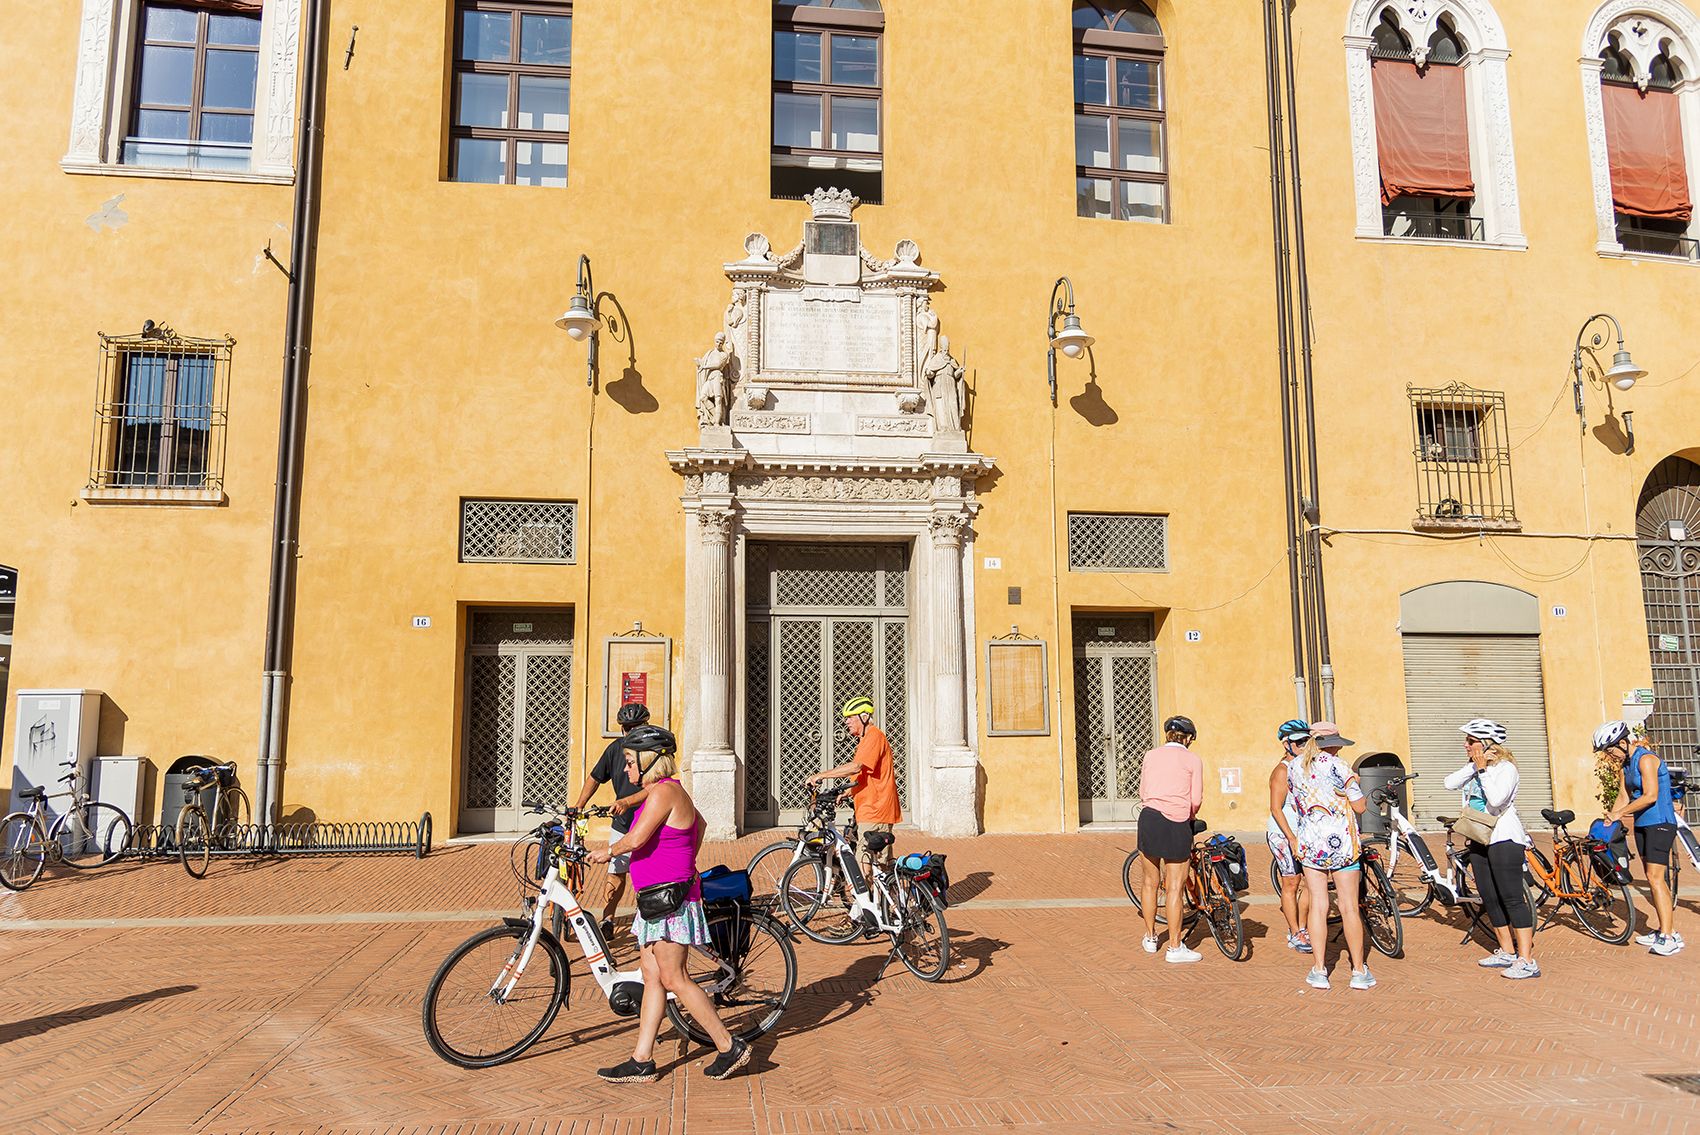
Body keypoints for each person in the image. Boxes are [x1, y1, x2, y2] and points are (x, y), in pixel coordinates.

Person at [590, 725, 753, 1082]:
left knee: (674, 978)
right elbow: (702, 823)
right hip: (655, 900)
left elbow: (636, 837)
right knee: (652, 976)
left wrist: (607, 852)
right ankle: (642, 1059)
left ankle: (729, 1046)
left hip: (670, 903)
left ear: (649, 763)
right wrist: (687, 861)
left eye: (632, 762)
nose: (627, 769)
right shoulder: (661, 793)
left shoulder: (664, 792)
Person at [1446, 719, 1538, 978]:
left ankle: (1527, 959)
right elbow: (1449, 783)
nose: (1466, 745)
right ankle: (1507, 951)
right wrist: (1475, 767)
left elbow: (1497, 800)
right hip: (1479, 836)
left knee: (1511, 897)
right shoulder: (1474, 767)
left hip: (1504, 837)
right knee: (1489, 895)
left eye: (1471, 741)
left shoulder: (1506, 769)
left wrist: (1483, 771)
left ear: (1487, 743)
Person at [1289, 725, 1373, 990]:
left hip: (1311, 842)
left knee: (1318, 905)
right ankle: (1358, 971)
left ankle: (1319, 969)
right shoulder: (1339, 766)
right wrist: (1353, 786)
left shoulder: (1295, 766)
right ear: (1334, 744)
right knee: (1348, 906)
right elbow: (1360, 805)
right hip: (1342, 842)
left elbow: (1298, 800)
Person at [1598, 720, 1684, 955]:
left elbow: (1650, 796)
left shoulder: (1646, 760)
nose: (1610, 755)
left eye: (1611, 750)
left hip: (1660, 824)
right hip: (1643, 824)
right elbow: (1623, 797)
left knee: (1655, 878)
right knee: (1653, 876)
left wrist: (1620, 813)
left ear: (1623, 742)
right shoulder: (1626, 765)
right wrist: (1610, 819)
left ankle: (1668, 937)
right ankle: (1665, 930)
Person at [573, 702, 651, 942]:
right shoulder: (614, 750)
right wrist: (579, 805)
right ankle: (607, 919)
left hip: (648, 820)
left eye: (636, 727)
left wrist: (628, 801)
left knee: (645, 876)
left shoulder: (652, 751)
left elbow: (659, 788)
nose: (631, 732)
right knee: (616, 872)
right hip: (622, 822)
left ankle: (645, 923)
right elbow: (595, 778)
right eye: (627, 728)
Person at [1137, 714, 1204, 964]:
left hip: (1149, 818)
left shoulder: (1150, 755)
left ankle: (1151, 937)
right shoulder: (1192, 759)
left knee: (1149, 882)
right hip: (1176, 821)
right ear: (1187, 738)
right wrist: (1189, 815)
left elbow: (1143, 790)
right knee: (1174, 887)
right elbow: (1195, 799)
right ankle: (1175, 947)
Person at [806, 696, 901, 868]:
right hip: (868, 808)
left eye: (850, 717)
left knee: (866, 865)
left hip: (876, 810)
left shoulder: (874, 736)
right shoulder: (865, 739)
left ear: (864, 717)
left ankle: (878, 894)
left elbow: (856, 767)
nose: (846, 722)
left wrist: (821, 775)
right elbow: (867, 774)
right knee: (879, 865)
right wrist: (847, 792)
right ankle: (890, 892)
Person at [1267, 719, 1313, 955]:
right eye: (1299, 741)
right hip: (1283, 834)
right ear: (1287, 744)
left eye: (1307, 740)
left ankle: (1304, 926)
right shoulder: (1282, 771)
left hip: (1306, 833)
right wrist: (1292, 838)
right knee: (1291, 882)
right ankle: (1295, 932)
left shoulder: (1305, 767)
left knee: (1313, 882)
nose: (1304, 745)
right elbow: (1276, 809)